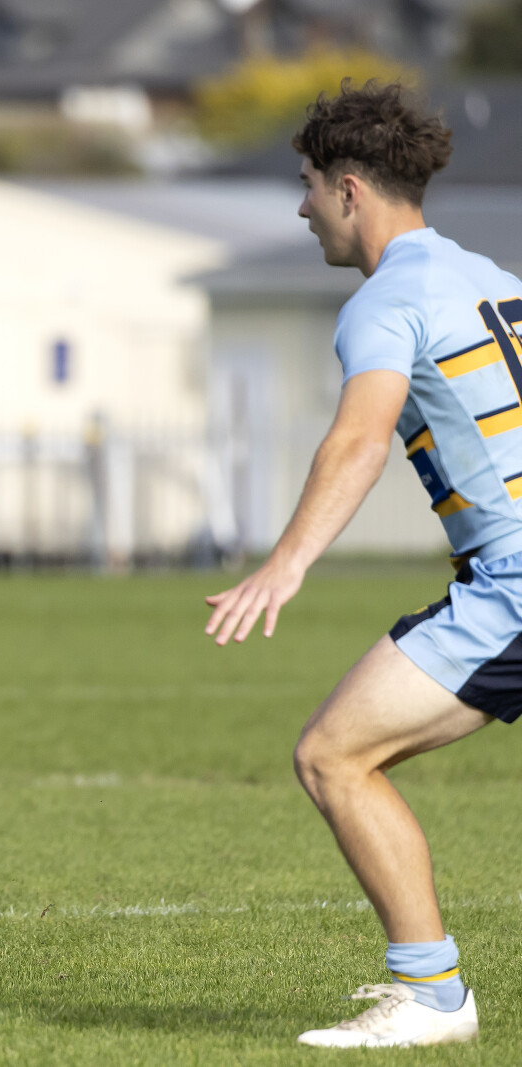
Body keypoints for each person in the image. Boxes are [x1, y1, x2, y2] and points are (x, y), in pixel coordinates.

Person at [204, 81, 516, 1048]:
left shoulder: (386, 301)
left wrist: (286, 563)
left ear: (349, 189)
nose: (301, 208)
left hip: (514, 586)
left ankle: (433, 995)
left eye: (306, 184)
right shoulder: (490, 276)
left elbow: (358, 440)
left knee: (334, 755)